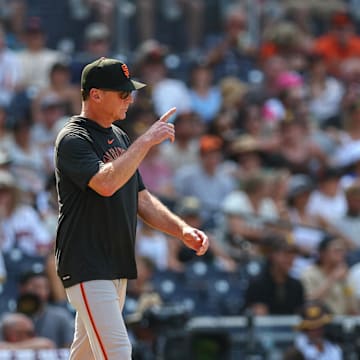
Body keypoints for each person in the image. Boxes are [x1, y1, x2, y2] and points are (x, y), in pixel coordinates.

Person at [54, 57, 209, 360]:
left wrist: (181, 229)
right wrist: (147, 141)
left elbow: (140, 197)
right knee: (118, 353)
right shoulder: (74, 138)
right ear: (95, 94)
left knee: (84, 355)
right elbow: (105, 183)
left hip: (114, 262)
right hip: (87, 262)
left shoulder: (119, 136)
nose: (130, 98)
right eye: (122, 93)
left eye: (130, 92)